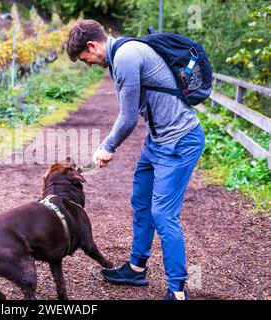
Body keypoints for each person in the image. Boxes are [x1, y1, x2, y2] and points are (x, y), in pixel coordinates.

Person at [66, 19, 205, 300]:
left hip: (180, 141)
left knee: (164, 214)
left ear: (92, 45)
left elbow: (128, 117)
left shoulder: (126, 57)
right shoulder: (120, 55)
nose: (88, 64)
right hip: (158, 141)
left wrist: (107, 146)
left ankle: (178, 290)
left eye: (86, 58)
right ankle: (136, 267)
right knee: (141, 202)